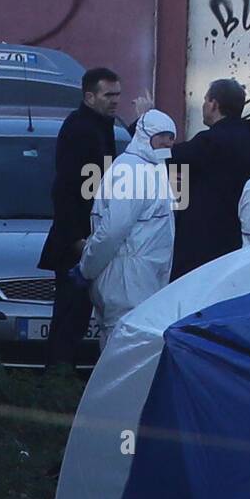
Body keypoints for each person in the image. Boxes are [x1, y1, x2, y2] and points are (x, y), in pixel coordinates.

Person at [70, 110, 177, 347]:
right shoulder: (132, 171)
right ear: (144, 136)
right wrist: (87, 267)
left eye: (171, 137)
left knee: (130, 355)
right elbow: (111, 232)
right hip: (126, 282)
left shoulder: (150, 168)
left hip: (140, 281)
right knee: (120, 354)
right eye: (162, 136)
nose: (168, 143)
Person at [38, 67, 120, 369]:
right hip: (78, 243)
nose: (115, 101)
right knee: (69, 320)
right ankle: (56, 386)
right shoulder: (81, 129)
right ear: (89, 96)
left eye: (118, 94)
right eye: (109, 95)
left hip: (91, 240)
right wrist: (76, 240)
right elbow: (67, 189)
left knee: (76, 320)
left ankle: (62, 382)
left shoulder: (101, 126)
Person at [162, 79, 250, 280]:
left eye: (206, 100)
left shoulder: (209, 141)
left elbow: (165, 158)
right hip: (238, 238)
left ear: (214, 104)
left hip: (201, 245)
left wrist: (143, 123)